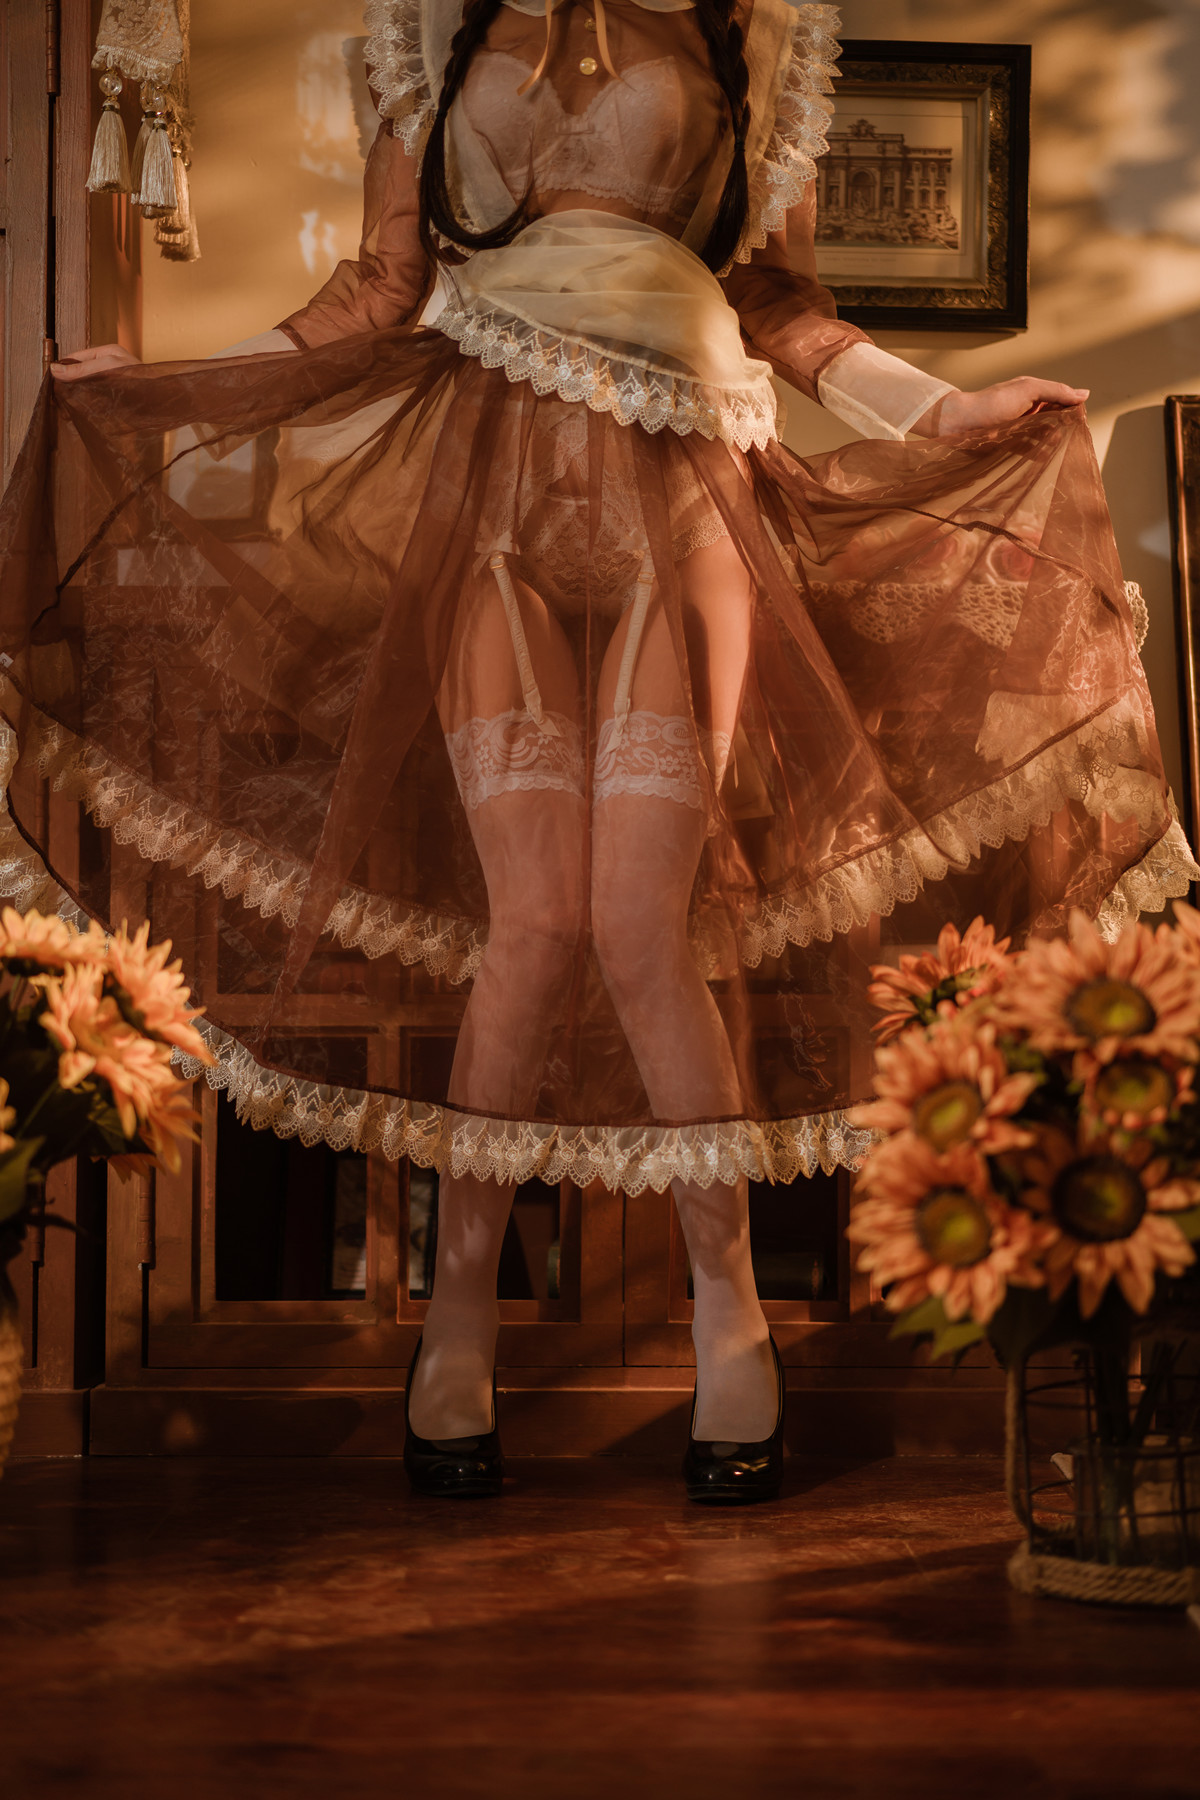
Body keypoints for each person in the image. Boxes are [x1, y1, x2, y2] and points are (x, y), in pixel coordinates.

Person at [12, 0, 1194, 1502]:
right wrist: (177, 383)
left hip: (685, 488)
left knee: (640, 924)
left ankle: (728, 1317)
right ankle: (457, 1329)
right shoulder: (428, 27)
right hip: (489, 496)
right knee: (534, 922)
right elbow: (380, 290)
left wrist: (952, 408)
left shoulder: (754, 29)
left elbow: (782, 306)